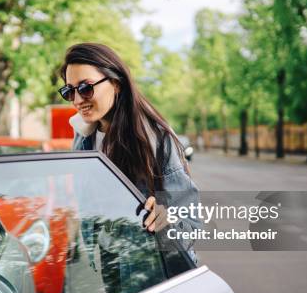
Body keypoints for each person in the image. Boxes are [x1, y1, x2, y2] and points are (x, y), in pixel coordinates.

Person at [58, 42, 201, 263]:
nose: (77, 100)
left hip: (155, 268)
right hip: (112, 264)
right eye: (69, 91)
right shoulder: (82, 136)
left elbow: (189, 222)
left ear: (115, 84)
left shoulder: (155, 138)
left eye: (86, 88)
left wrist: (167, 218)